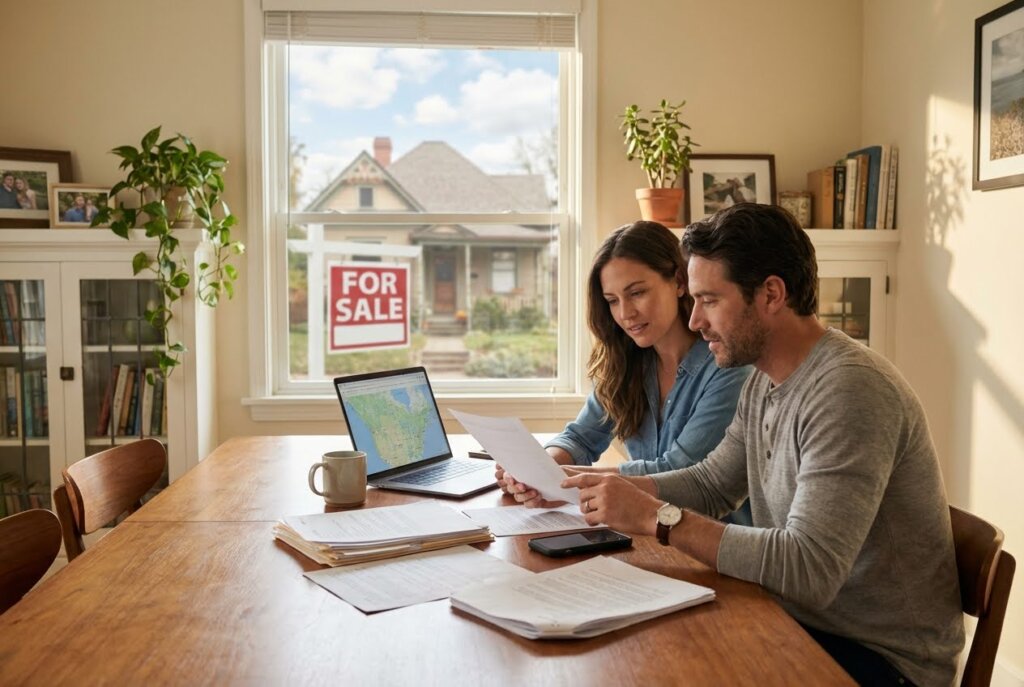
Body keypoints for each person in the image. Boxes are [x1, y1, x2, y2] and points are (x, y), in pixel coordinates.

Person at [512, 204, 964, 686]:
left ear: (771, 294)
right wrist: (611, 486)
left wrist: (652, 516)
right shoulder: (764, 379)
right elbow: (711, 484)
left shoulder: (849, 390)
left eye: (709, 299)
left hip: (875, 657)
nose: (695, 321)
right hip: (795, 617)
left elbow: (808, 569)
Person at [498, 220, 752, 524]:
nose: (625, 314)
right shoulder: (626, 363)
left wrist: (567, 480)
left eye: (637, 293)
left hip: (710, 549)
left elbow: (679, 471)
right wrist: (539, 471)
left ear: (679, 281)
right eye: (612, 301)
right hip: (644, 535)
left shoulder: (728, 368)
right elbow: (580, 437)